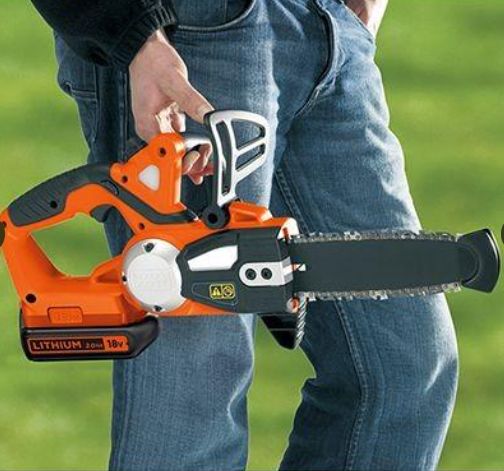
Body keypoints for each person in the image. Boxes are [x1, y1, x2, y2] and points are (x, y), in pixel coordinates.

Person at [30, 1, 459, 470]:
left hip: (328, 23)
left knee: (404, 369)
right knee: (193, 409)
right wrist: (135, 33)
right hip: (187, 35)